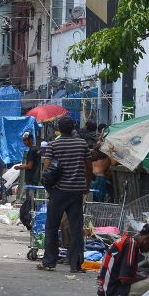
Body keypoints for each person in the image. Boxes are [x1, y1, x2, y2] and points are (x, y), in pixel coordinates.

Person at [38, 116, 92, 273]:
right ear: (73, 128)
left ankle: (49, 262)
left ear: (59, 130)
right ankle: (76, 264)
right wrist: (86, 185)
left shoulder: (53, 145)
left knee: (52, 226)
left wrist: (49, 186)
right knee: (76, 228)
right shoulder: (82, 144)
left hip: (58, 191)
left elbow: (47, 167)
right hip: (76, 191)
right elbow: (88, 167)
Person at [97, 224, 149, 296]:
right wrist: (146, 279)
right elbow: (125, 279)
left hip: (104, 291)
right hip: (113, 293)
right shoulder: (131, 245)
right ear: (147, 238)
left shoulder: (126, 241)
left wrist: (143, 278)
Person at [14, 132, 40, 205]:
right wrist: (22, 166)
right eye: (23, 140)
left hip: (31, 177)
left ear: (30, 139)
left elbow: (29, 166)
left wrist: (19, 167)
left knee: (30, 198)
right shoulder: (36, 149)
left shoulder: (32, 151)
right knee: (32, 197)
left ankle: (30, 213)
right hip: (34, 176)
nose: (24, 142)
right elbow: (31, 164)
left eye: (25, 140)